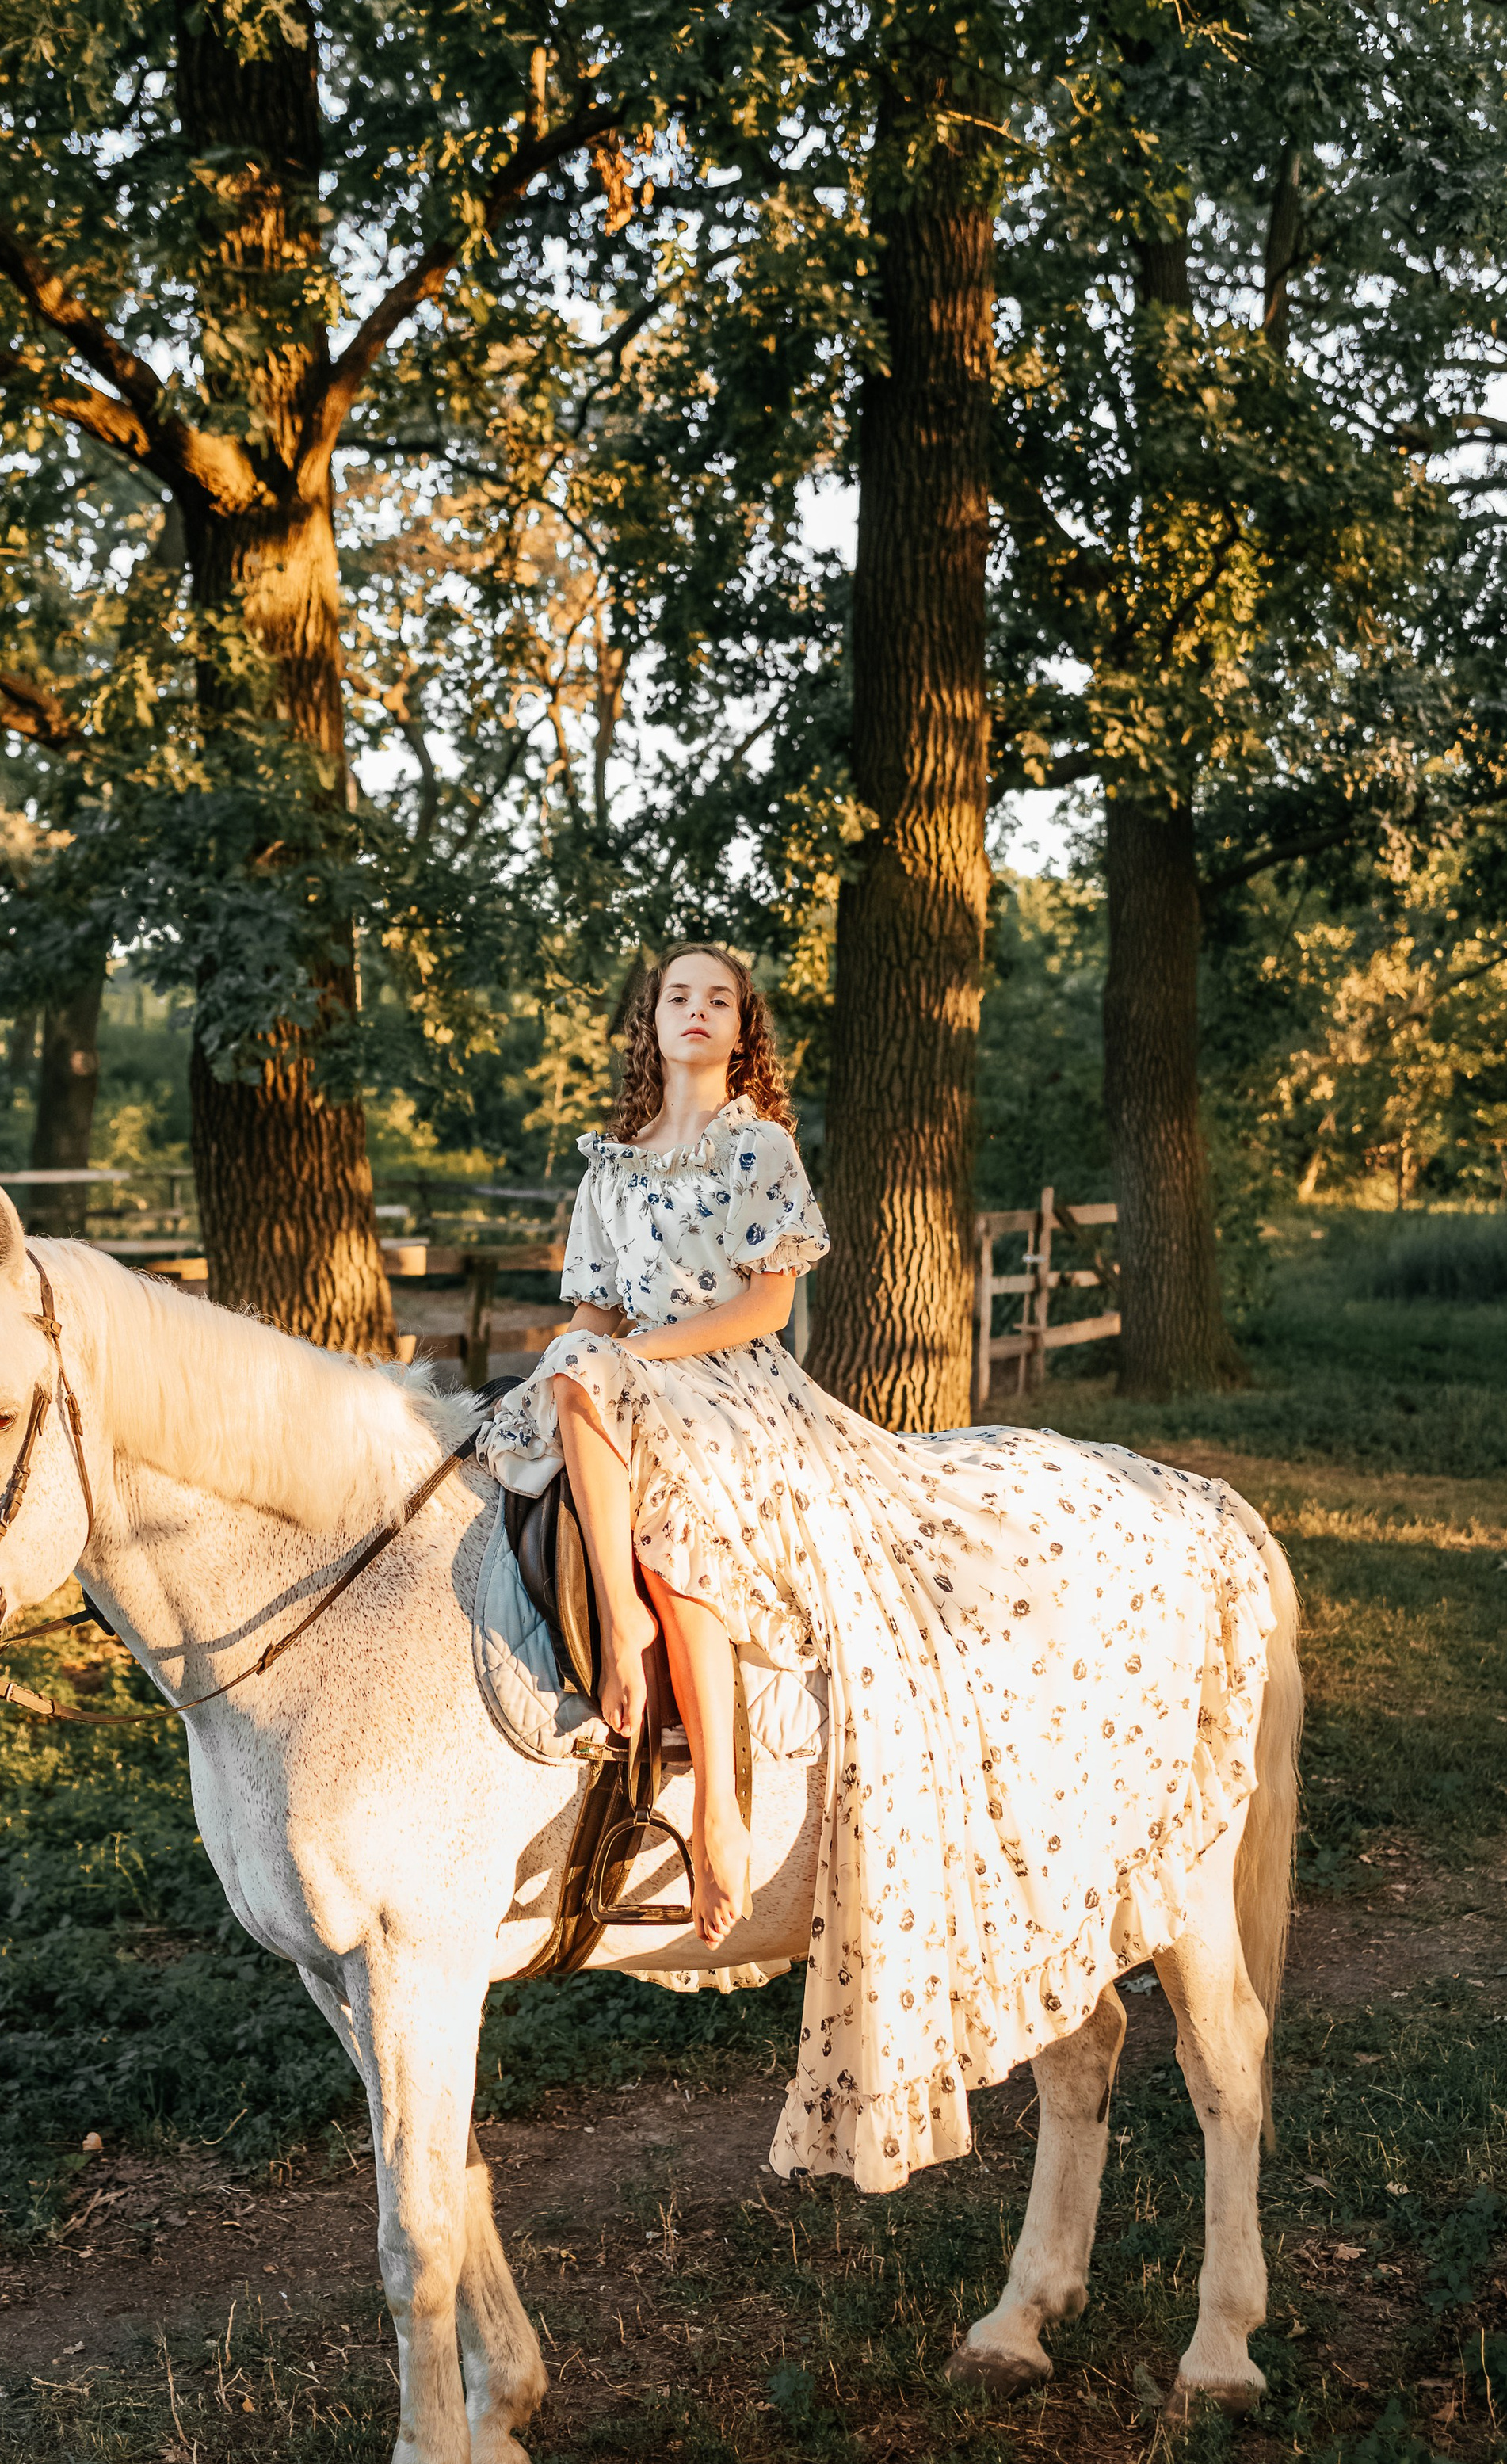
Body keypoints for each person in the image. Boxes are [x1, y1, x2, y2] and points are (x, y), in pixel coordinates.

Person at [482, 940, 1280, 2199]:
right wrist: (577, 1358)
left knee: (663, 1496)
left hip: (736, 1392)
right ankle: (623, 1638)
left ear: (741, 1032)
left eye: (718, 1001)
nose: (694, 1012)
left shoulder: (757, 1149)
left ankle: (714, 1781)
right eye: (676, 997)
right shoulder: (610, 1166)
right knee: (555, 1400)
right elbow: (588, 1316)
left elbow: (760, 1311)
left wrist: (638, 1358)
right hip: (630, 1386)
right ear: (651, 1024)